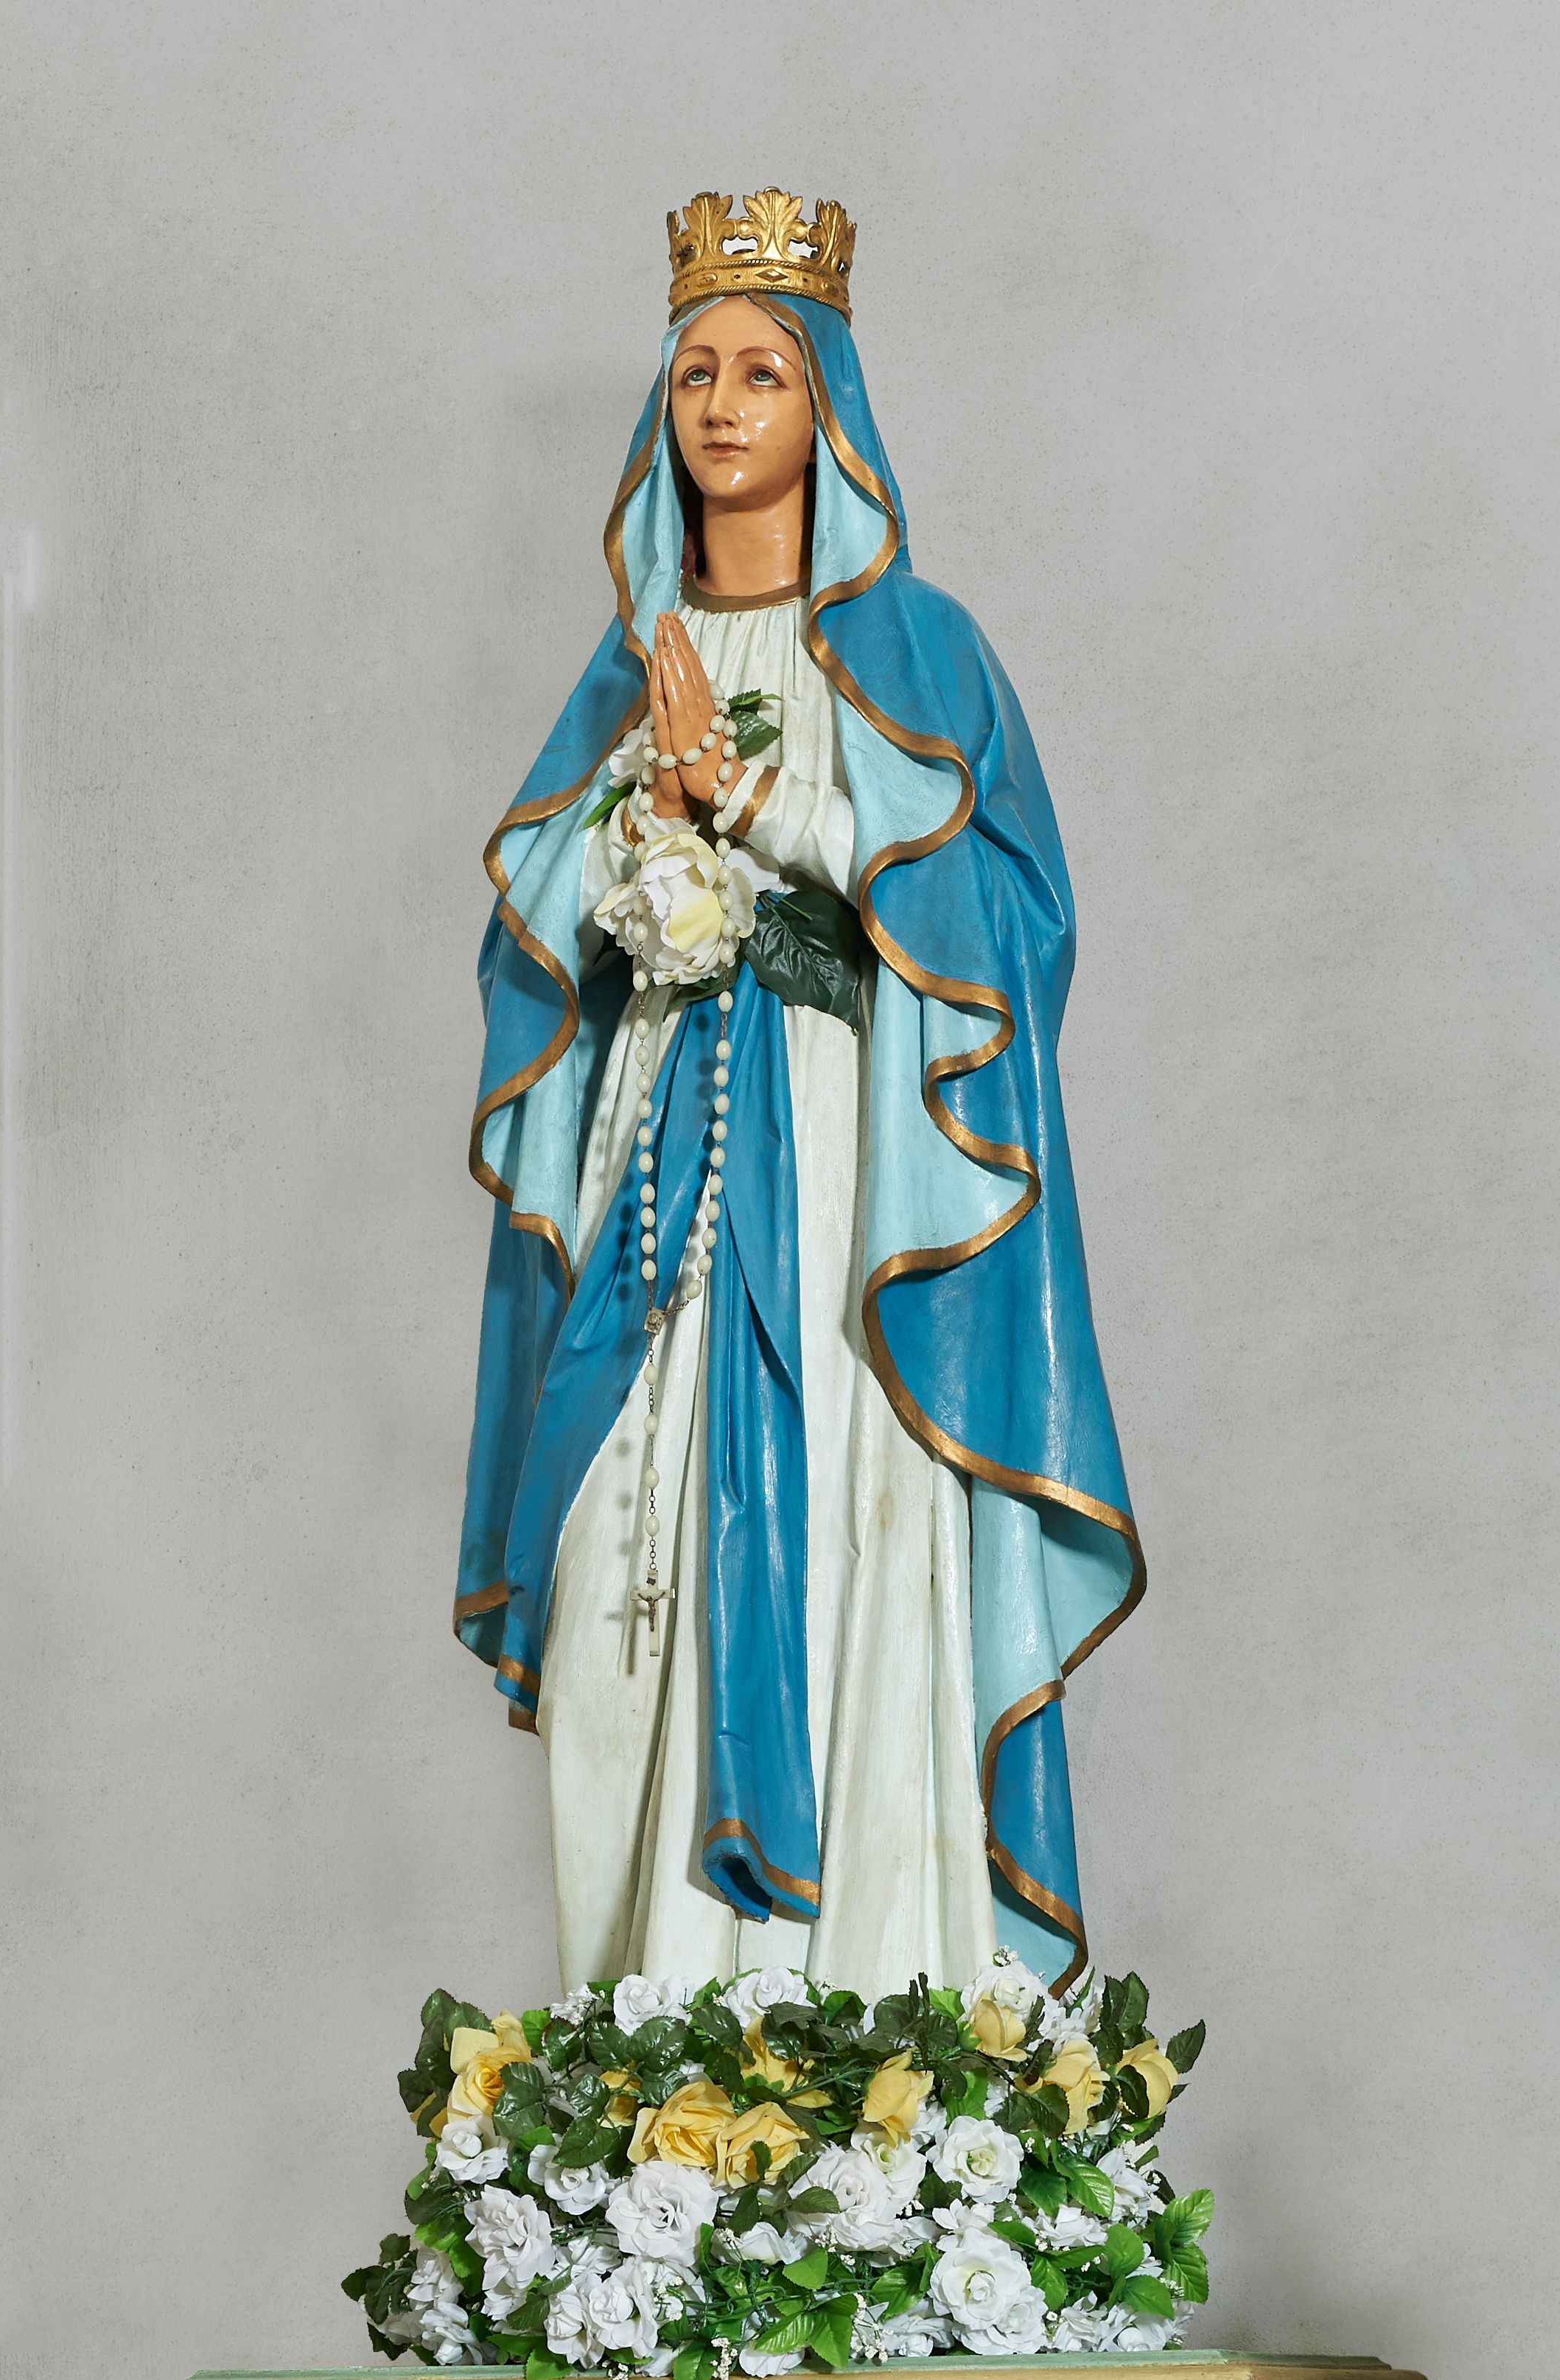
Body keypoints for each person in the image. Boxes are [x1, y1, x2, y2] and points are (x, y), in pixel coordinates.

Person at [455, 192, 1142, 2003]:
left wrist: (749, 810)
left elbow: (999, 927)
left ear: (827, 408)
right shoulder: (631, 667)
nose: (721, 405)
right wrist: (630, 857)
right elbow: (539, 943)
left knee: (841, 1515)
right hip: (654, 1159)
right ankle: (647, 2012)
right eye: (694, 372)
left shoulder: (917, 650)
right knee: (624, 1532)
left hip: (843, 1174)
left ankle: (851, 2001)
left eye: (761, 372)